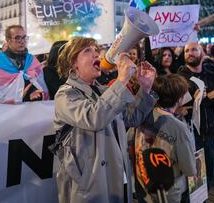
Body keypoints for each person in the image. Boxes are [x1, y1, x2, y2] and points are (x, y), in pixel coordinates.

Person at [54, 37, 157, 203]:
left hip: (117, 176)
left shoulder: (103, 91)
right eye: (88, 51)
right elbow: (95, 118)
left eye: (96, 50)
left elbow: (131, 119)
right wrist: (122, 80)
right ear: (74, 63)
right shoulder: (66, 94)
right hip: (90, 184)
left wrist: (144, 89)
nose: (96, 54)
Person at [129, 74, 196, 203]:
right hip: (168, 192)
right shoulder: (178, 127)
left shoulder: (142, 114)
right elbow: (189, 168)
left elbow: (129, 144)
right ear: (179, 99)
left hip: (143, 183)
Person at [177, 42, 214, 188]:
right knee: (194, 174)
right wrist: (209, 96)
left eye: (194, 50)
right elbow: (181, 105)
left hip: (211, 130)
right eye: (187, 50)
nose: (190, 53)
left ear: (202, 53)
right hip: (191, 132)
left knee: (210, 168)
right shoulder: (180, 78)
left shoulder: (211, 73)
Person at [0, 25, 48, 103]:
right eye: (17, 38)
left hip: (29, 110)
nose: (22, 41)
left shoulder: (32, 60)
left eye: (24, 37)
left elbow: (39, 84)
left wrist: (34, 91)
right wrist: (17, 97)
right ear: (8, 40)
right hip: (4, 111)